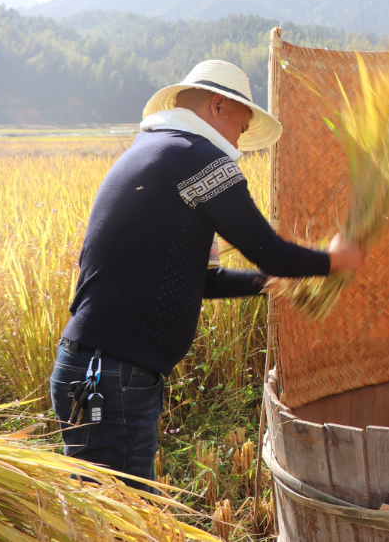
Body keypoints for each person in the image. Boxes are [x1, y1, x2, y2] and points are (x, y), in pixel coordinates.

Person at [49, 59, 363, 491]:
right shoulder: (200, 159)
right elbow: (270, 252)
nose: (240, 139)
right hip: (113, 376)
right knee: (122, 521)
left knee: (102, 513)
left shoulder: (160, 153)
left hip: (94, 366)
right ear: (218, 106)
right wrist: (332, 261)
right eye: (242, 124)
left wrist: (271, 285)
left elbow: (208, 280)